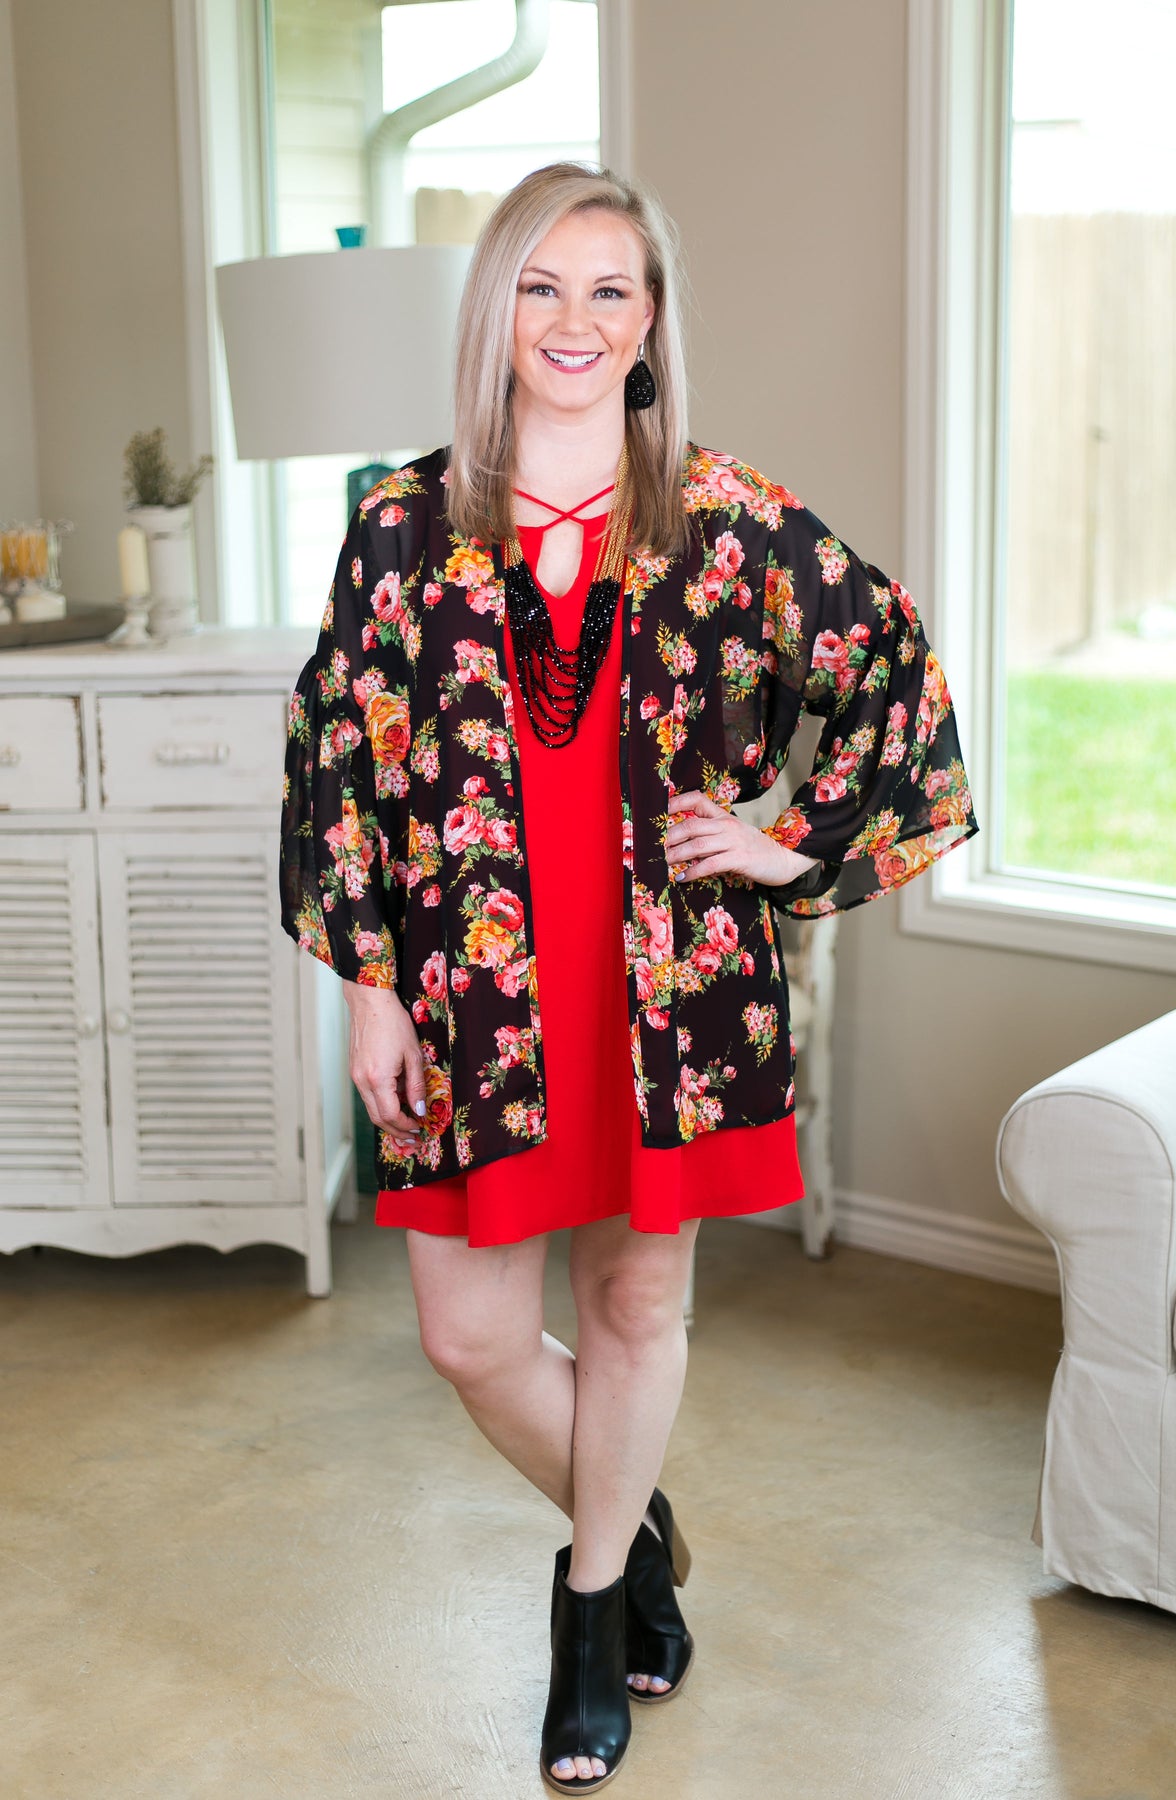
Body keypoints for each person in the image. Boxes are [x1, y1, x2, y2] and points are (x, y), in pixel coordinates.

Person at [280, 161, 977, 1793]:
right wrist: (371, 986)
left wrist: (788, 845)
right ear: (496, 311)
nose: (575, 320)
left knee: (635, 1303)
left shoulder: (724, 517)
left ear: (651, 321)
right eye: (541, 286)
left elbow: (894, 667)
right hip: (470, 995)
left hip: (671, 992)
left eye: (610, 289)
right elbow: (336, 759)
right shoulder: (399, 524)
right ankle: (635, 1518)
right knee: (468, 1338)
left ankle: (592, 1612)